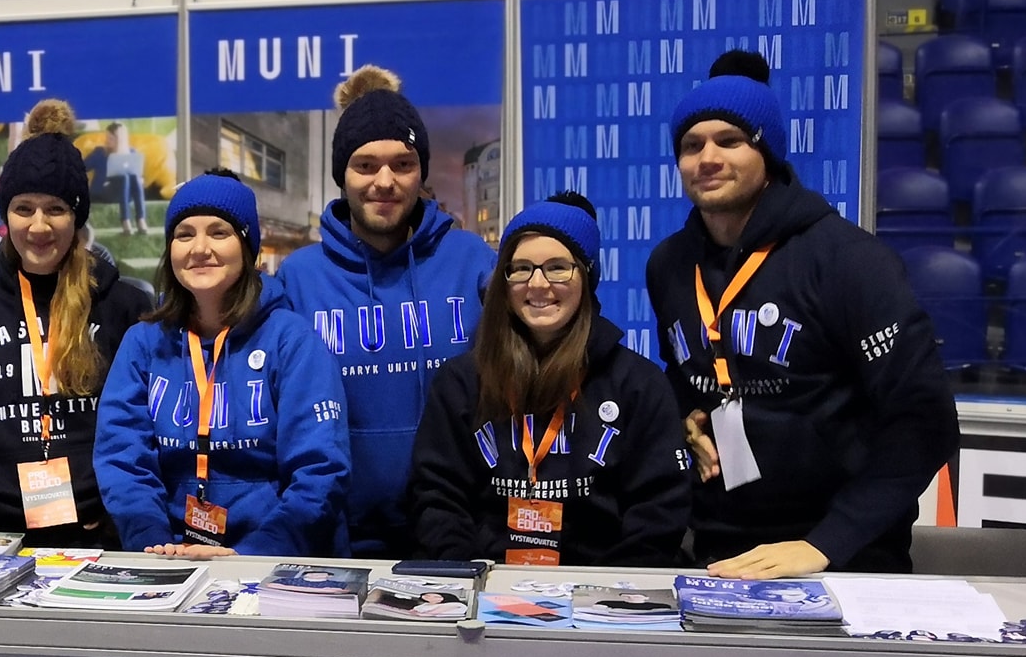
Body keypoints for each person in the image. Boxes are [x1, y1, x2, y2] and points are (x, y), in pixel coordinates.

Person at [646, 50, 959, 577]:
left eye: (730, 141)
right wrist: (685, 422)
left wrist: (825, 544)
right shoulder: (670, 265)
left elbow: (923, 421)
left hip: (845, 557)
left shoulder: (850, 261)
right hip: (720, 549)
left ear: (767, 153)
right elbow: (687, 379)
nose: (708, 157)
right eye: (691, 145)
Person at [278, 65, 496, 555]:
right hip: (337, 533)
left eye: (402, 163)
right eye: (365, 165)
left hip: (460, 527)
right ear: (342, 174)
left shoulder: (473, 262)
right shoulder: (300, 277)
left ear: (420, 171)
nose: (385, 181)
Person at [407, 193, 691, 567]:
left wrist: (606, 596)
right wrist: (473, 580)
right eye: (520, 268)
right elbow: (437, 499)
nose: (537, 284)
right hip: (488, 593)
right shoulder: (461, 382)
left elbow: (659, 512)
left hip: (603, 598)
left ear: (587, 276)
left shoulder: (638, 384)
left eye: (558, 267)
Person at [93, 169, 351, 556]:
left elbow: (320, 471)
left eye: (219, 232)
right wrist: (154, 544)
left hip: (273, 560)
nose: (199, 248)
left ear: (248, 249)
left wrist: (252, 557)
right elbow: (122, 459)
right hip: (170, 556)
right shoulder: (143, 343)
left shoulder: (292, 341)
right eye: (184, 234)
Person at [0, 100, 146, 545]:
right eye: (23, 208)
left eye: (55, 209)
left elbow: (142, 430)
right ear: (5, 214)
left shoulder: (123, 307)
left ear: (77, 216)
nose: (38, 225)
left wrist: (115, 516)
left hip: (97, 537)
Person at [86, 121, 148, 234]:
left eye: (111, 138)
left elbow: (139, 174)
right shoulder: (100, 152)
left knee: (134, 177)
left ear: (120, 139)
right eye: (107, 137)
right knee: (124, 178)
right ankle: (126, 222)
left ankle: (141, 220)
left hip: (125, 193)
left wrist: (141, 179)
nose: (107, 140)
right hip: (104, 191)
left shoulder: (132, 153)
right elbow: (82, 167)